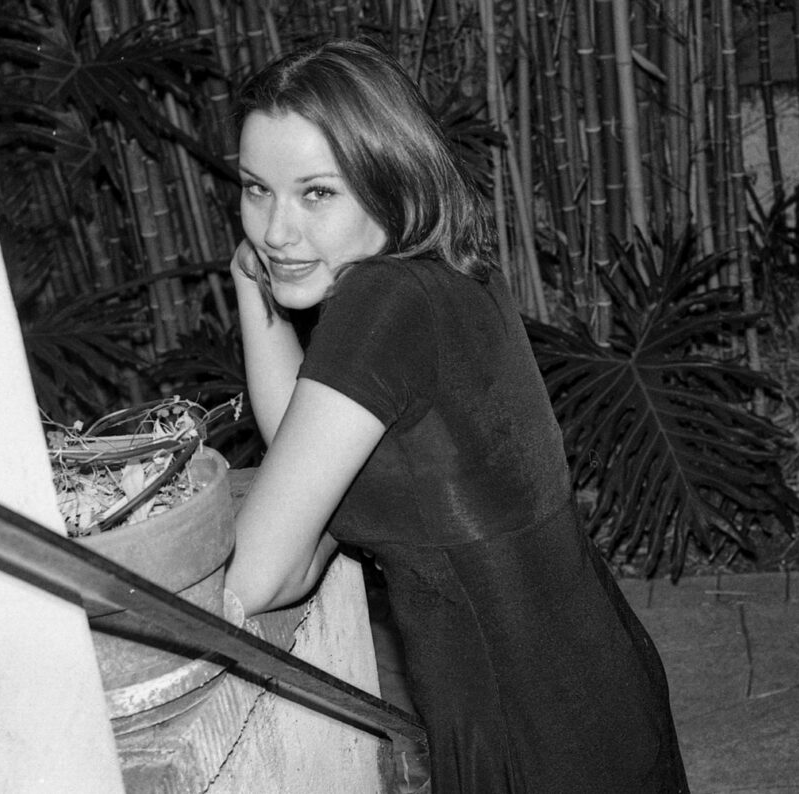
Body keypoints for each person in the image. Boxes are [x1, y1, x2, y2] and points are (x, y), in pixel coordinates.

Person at [222, 38, 690, 793]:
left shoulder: (382, 305)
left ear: (390, 178)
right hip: (581, 688)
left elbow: (256, 577)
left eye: (316, 194)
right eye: (255, 189)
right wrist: (253, 287)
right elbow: (303, 455)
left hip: (523, 725)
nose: (275, 231)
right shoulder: (439, 275)